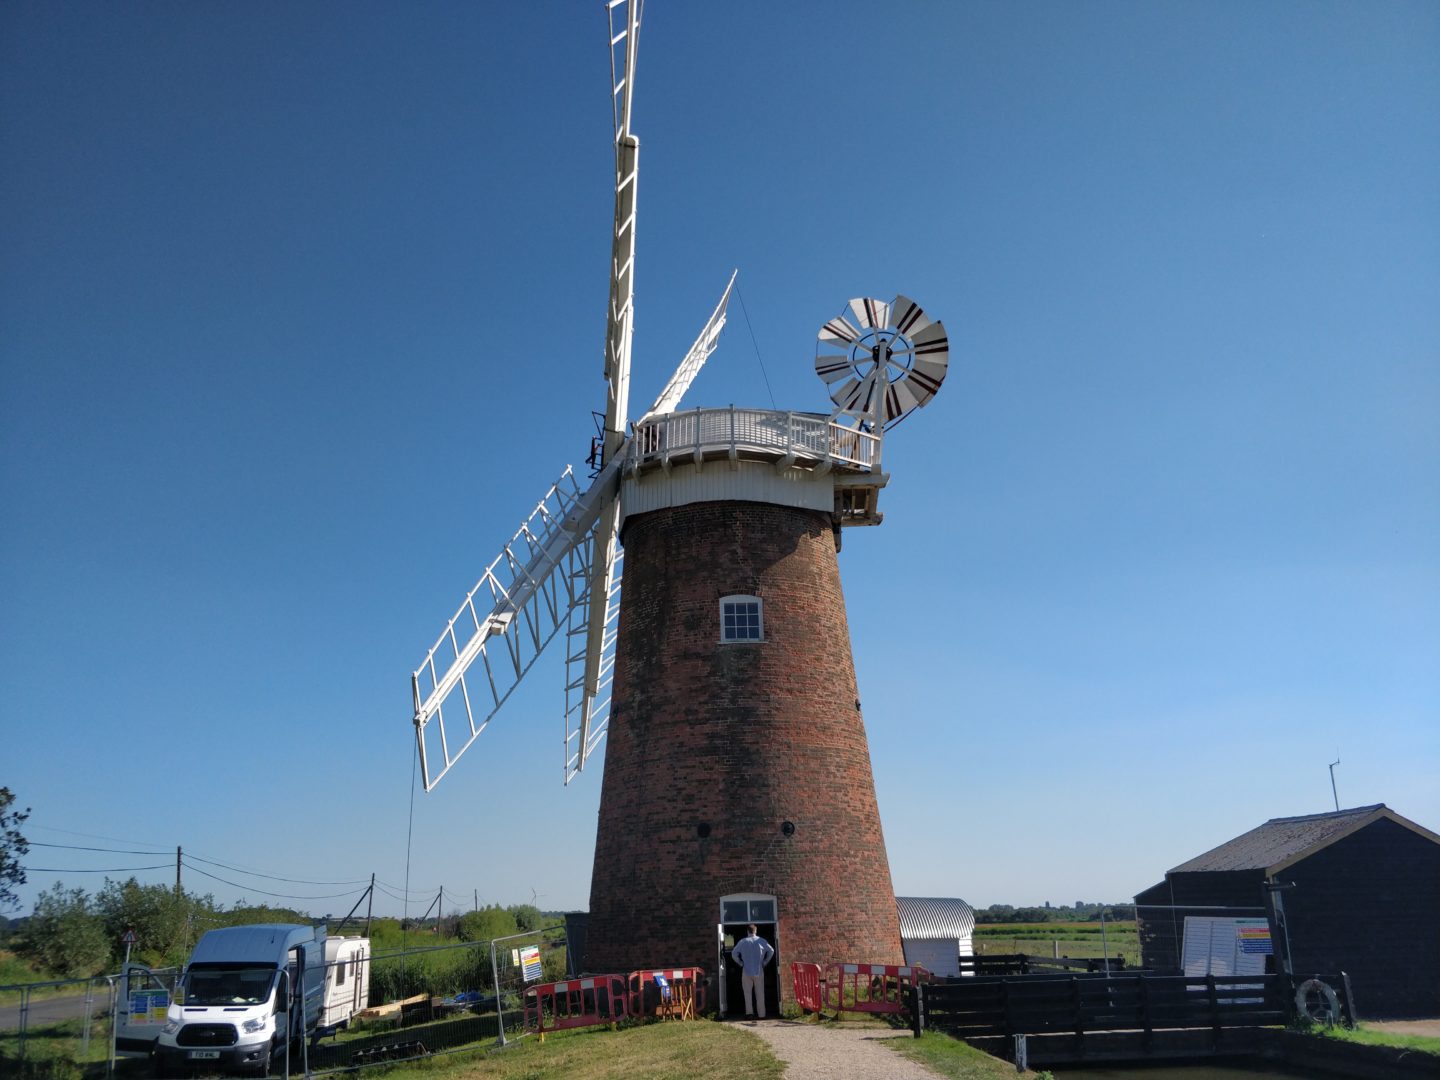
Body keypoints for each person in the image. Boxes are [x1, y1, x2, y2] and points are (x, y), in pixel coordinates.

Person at [730, 924, 775, 1019]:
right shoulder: (762, 941)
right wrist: (765, 962)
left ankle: (749, 1013)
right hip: (759, 969)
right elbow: (771, 950)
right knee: (760, 993)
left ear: (747, 931)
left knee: (747, 993)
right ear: (756, 931)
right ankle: (762, 1014)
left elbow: (734, 953)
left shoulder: (743, 941)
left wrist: (740, 963)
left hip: (746, 969)